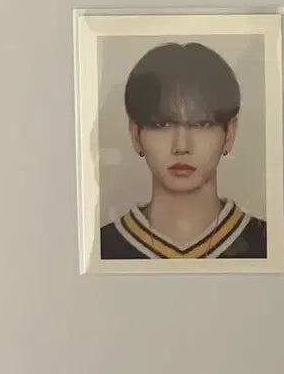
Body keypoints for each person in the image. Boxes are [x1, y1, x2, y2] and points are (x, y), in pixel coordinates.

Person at [101, 42, 267, 259]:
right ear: (135, 135)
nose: (181, 146)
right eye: (162, 125)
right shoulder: (101, 250)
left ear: (229, 134)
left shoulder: (268, 245)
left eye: (202, 124)